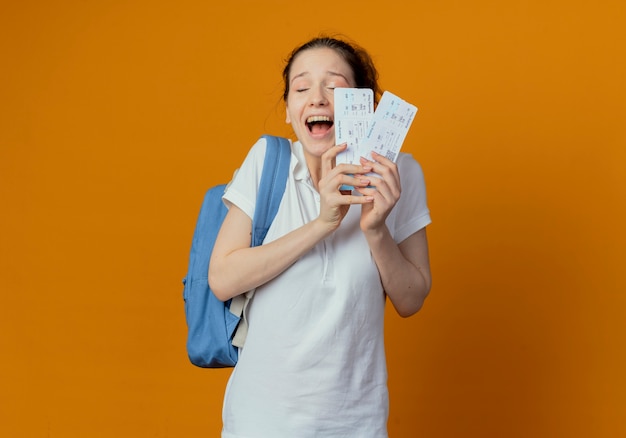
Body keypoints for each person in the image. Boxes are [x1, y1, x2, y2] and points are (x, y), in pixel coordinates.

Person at [209, 35, 432, 438]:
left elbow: (411, 299)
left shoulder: (401, 174)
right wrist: (322, 223)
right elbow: (222, 278)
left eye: (334, 86)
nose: (317, 97)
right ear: (290, 112)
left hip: (357, 424)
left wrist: (375, 228)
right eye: (301, 88)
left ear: (364, 107)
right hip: (259, 423)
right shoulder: (267, 162)